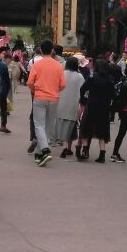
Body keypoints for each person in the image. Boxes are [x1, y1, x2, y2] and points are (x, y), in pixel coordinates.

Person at [27, 40, 66, 168]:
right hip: (54, 98)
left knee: (39, 125)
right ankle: (39, 154)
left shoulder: (37, 65)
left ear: (41, 50)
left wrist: (35, 90)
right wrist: (54, 90)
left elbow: (29, 82)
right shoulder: (58, 66)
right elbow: (62, 85)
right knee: (48, 125)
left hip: (39, 97)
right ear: (52, 50)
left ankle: (44, 149)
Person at [78, 59, 114, 162]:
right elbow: (113, 94)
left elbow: (82, 88)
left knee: (86, 127)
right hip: (104, 106)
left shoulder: (92, 77)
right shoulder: (109, 78)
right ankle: (102, 154)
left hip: (92, 104)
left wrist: (83, 99)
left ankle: (85, 151)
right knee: (102, 129)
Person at [56, 56, 85, 158]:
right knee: (71, 127)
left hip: (61, 103)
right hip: (73, 105)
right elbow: (83, 90)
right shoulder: (80, 77)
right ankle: (67, 148)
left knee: (63, 126)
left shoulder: (62, 74)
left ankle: (66, 147)